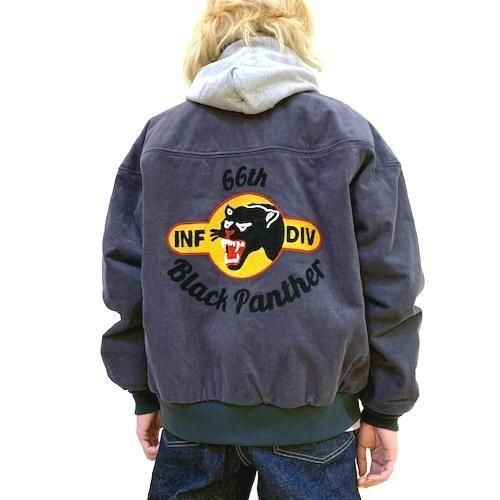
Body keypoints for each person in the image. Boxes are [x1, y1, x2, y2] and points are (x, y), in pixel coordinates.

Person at [100, 0, 424, 498]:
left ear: (210, 35)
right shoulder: (347, 133)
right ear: (297, 33)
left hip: (191, 421)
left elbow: (125, 274)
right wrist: (386, 407)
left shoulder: (160, 140)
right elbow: (391, 279)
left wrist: (144, 390)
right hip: (313, 424)